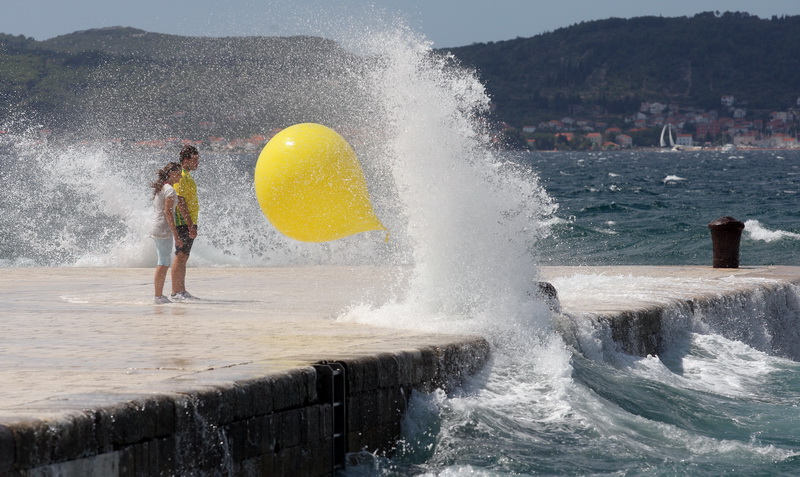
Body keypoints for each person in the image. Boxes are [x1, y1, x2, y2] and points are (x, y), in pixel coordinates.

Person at [150, 162, 183, 304]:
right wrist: (176, 235)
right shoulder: (170, 190)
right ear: (171, 174)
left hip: (157, 227)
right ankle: (158, 296)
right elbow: (168, 213)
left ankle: (159, 295)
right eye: (178, 174)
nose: (180, 177)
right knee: (163, 262)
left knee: (162, 261)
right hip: (163, 229)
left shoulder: (162, 188)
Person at [170, 145, 201, 300]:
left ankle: (181, 290)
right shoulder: (181, 176)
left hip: (189, 221)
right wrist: (189, 224)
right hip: (182, 222)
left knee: (184, 256)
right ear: (186, 160)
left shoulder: (187, 175)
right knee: (180, 255)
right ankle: (176, 291)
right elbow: (180, 201)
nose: (197, 163)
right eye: (195, 160)